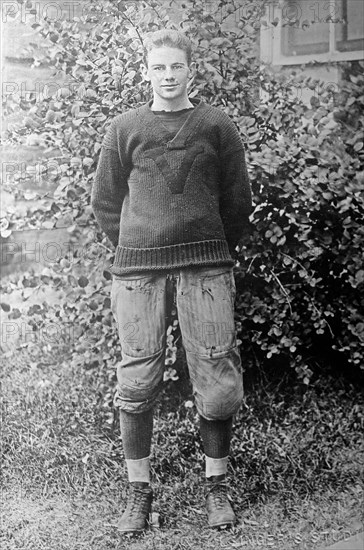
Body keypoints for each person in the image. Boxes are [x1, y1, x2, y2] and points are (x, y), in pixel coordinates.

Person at [91, 29, 252, 534]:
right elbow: (105, 202)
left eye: (175, 68)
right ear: (146, 72)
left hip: (205, 267)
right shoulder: (124, 128)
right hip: (138, 271)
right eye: (157, 68)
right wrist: (136, 245)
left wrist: (209, 243)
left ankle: (216, 489)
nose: (167, 76)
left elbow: (237, 200)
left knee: (217, 378)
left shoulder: (215, 125)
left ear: (190, 72)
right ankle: (138, 494)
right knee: (137, 379)